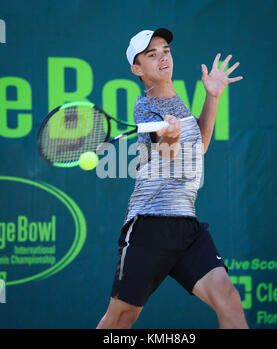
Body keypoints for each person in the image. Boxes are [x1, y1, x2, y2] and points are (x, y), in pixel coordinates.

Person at [97, 28, 248, 329]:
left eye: (165, 50)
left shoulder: (177, 102)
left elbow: (199, 147)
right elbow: (167, 154)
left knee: (228, 299)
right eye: (151, 55)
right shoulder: (145, 107)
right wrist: (172, 136)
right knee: (121, 319)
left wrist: (213, 97)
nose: (162, 57)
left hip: (187, 226)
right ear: (137, 69)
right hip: (149, 225)